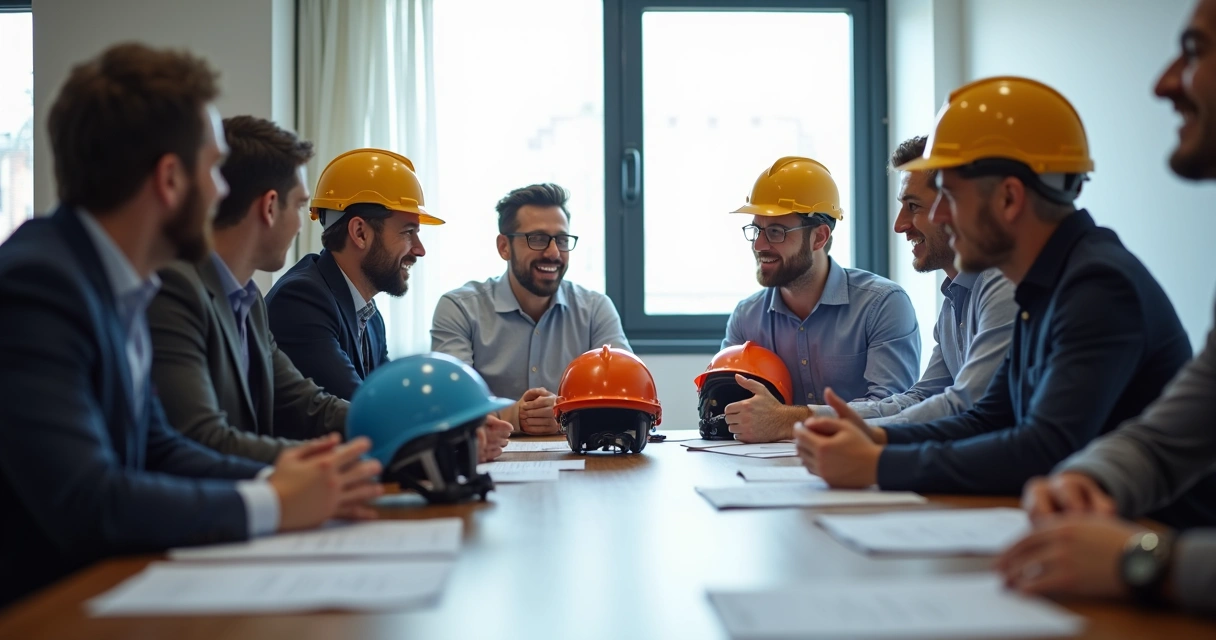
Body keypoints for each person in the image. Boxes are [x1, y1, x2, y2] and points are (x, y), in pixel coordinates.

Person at [0, 44, 382, 607]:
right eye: (212, 169)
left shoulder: (120, 283)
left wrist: (301, 473)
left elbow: (163, 447)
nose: (223, 191)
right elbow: (89, 499)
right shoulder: (41, 283)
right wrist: (274, 502)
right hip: (51, 611)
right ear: (170, 179)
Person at [794, 77, 1192, 497]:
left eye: (948, 196)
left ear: (1008, 199)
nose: (940, 217)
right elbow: (989, 416)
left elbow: (1045, 449)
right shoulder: (1044, 285)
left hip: (1145, 542)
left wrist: (879, 464)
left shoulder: (1098, 286)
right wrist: (879, 440)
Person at [998, 0, 1216, 615]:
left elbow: (1037, 440)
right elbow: (1165, 439)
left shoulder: (1098, 280)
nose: (1164, 81)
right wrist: (1088, 480)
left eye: (1195, 51)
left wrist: (1146, 560)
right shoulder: (1036, 288)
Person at [148, 115, 348, 462]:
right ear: (270, 207)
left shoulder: (249, 300)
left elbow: (309, 405)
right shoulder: (175, 287)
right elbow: (201, 438)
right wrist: (334, 462)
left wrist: (412, 428)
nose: (302, 225)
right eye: (300, 205)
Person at [817, 136, 1016, 426]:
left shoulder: (1001, 286)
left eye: (913, 206)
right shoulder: (953, 302)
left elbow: (967, 404)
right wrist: (809, 418)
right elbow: (921, 398)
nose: (899, 225)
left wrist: (868, 435)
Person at [721, 156, 921, 443]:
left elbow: (892, 414)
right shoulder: (746, 318)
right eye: (756, 230)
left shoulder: (883, 305)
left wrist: (786, 420)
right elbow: (728, 409)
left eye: (776, 232)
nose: (759, 245)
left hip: (859, 471)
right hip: (766, 473)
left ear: (819, 238)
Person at [431, 184, 629, 435]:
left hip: (580, 464)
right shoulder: (459, 308)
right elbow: (450, 406)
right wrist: (517, 416)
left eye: (562, 240)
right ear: (504, 246)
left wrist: (565, 414)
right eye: (537, 239)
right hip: (487, 461)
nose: (553, 252)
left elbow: (626, 401)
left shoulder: (595, 309)